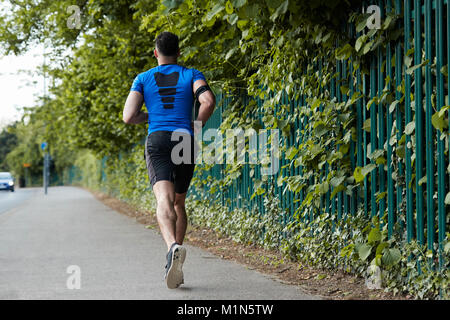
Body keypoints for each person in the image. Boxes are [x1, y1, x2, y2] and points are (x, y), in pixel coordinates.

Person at [122, 31, 215, 289]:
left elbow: (128, 116)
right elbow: (207, 101)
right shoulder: (192, 74)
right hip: (185, 139)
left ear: (155, 53)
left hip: (159, 140)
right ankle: (177, 257)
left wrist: (149, 117)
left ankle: (171, 248)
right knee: (179, 202)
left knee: (164, 199)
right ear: (179, 52)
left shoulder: (143, 78)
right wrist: (196, 126)